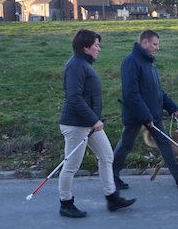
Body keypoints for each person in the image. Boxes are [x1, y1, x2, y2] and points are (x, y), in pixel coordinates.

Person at [57, 28, 135, 218]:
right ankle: (66, 203)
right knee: (72, 166)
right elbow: (74, 97)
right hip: (76, 125)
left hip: (89, 124)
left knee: (107, 157)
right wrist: (94, 119)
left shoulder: (83, 64)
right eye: (96, 46)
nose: (99, 49)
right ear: (85, 47)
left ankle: (112, 198)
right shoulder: (76, 65)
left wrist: (93, 121)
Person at [113, 29, 178, 189]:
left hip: (153, 114)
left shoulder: (150, 62)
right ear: (144, 43)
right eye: (155, 44)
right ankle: (111, 177)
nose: (157, 47)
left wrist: (171, 106)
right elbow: (131, 93)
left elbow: (157, 90)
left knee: (165, 144)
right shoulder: (131, 61)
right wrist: (145, 116)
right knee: (126, 144)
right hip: (137, 114)